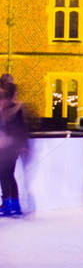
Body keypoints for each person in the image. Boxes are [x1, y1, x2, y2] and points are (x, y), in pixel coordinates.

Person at [0, 81, 29, 217]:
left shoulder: (10, 108)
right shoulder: (13, 107)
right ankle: (14, 205)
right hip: (11, 146)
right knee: (8, 175)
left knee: (5, 175)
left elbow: (18, 127)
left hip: (9, 147)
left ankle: (8, 204)